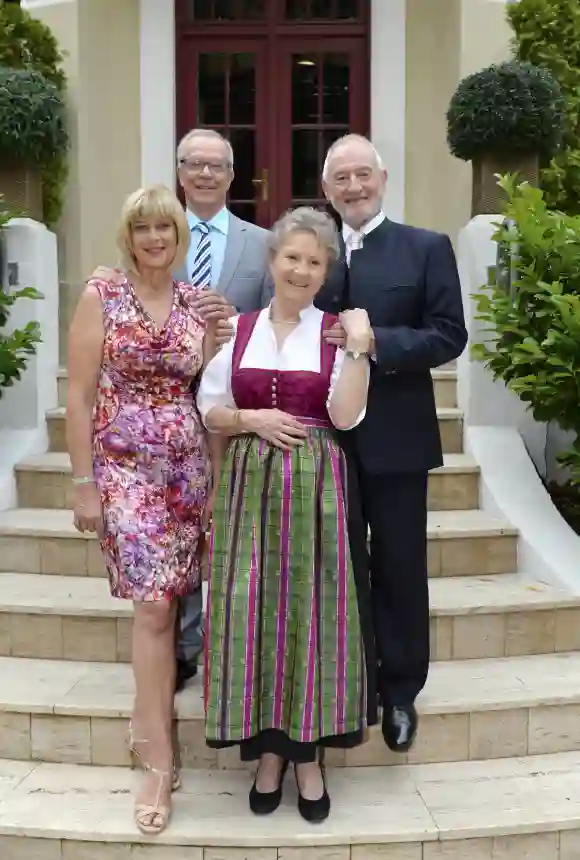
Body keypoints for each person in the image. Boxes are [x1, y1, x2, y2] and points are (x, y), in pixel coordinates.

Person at [196, 207, 376, 824]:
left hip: (316, 488)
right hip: (248, 488)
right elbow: (211, 409)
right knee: (253, 616)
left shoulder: (334, 334)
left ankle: (307, 759)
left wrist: (358, 346)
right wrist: (252, 419)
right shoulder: (239, 330)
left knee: (311, 614)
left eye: (314, 261)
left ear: (327, 274)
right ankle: (266, 755)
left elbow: (347, 416)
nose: (300, 269)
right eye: (291, 257)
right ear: (271, 262)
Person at [92, 128, 272, 694]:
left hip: (224, 407)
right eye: (193, 163)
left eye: (216, 165)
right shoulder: (147, 241)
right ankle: (176, 649)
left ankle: (211, 644)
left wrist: (229, 324)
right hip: (147, 421)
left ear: (232, 174)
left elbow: (273, 321)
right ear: (179, 171)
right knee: (163, 539)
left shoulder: (261, 242)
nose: (204, 174)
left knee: (206, 531)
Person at [66, 184, 222, 836]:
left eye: (165, 228)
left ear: (179, 237)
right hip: (123, 468)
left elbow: (212, 397)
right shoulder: (101, 295)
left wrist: (215, 483)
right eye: (143, 229)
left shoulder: (197, 305)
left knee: (174, 602)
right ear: (128, 237)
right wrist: (81, 482)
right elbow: (77, 395)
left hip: (187, 470)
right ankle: (158, 760)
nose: (155, 239)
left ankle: (149, 726)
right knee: (155, 606)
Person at [316, 133, 468, 754]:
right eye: (340, 179)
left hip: (400, 437)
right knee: (338, 565)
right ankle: (349, 682)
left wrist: (377, 343)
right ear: (326, 190)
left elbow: (448, 335)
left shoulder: (425, 248)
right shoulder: (313, 252)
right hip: (323, 438)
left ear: (383, 178)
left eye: (362, 175)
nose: (353, 187)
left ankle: (400, 691)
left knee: (401, 568)